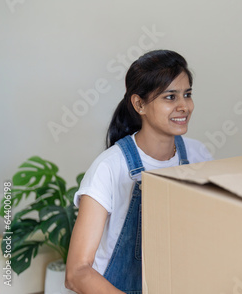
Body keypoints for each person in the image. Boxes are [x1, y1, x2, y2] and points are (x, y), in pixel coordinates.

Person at [65, 50, 213, 293]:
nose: (183, 106)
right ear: (139, 104)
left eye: (187, 94)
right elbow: (76, 272)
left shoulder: (198, 156)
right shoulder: (109, 167)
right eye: (170, 97)